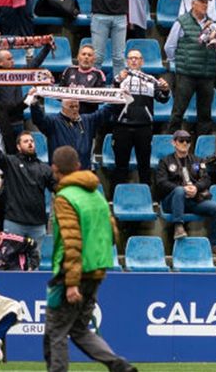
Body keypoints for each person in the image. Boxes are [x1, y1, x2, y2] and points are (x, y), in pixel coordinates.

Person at [44, 145, 135, 372]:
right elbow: (113, 234)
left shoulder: (64, 198)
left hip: (74, 272)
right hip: (98, 269)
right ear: (77, 166)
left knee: (56, 331)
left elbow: (71, 242)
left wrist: (72, 282)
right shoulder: (96, 193)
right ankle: (120, 367)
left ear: (55, 168)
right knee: (79, 329)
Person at [153, 130, 216, 252]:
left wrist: (196, 188)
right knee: (179, 191)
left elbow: (206, 179)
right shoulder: (165, 161)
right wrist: (181, 188)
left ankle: (215, 244)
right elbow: (161, 183)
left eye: (188, 141)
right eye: (181, 140)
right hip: (172, 200)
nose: (185, 143)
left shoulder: (197, 161)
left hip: (193, 200)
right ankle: (178, 226)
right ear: (174, 143)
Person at [111, 50, 171, 192]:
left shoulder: (151, 79)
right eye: (131, 58)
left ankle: (147, 197)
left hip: (143, 128)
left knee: (144, 166)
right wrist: (117, 81)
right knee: (120, 166)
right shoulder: (119, 79)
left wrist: (166, 90)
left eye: (137, 58)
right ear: (127, 61)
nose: (133, 61)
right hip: (122, 127)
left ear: (142, 61)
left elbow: (163, 99)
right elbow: (110, 98)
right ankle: (116, 197)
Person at [0, 130, 55, 253]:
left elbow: (57, 188)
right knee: (12, 263)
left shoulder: (45, 168)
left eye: (32, 141)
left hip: (37, 225)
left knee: (35, 264)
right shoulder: (10, 162)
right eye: (26, 141)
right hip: (14, 222)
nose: (30, 143)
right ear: (18, 146)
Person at [164, 0, 216, 137]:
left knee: (205, 114)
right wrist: (178, 64)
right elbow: (169, 47)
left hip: (207, 74)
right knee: (178, 111)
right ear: (193, 3)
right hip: (186, 74)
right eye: (202, 2)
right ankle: (171, 143)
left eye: (206, 3)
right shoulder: (181, 22)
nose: (205, 5)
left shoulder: (213, 25)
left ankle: (202, 149)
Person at [26, 89, 118, 170]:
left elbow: (104, 112)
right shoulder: (53, 122)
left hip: (83, 171)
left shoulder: (87, 120)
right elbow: (38, 119)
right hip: (61, 173)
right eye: (71, 107)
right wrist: (34, 103)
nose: (75, 109)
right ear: (63, 107)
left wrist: (118, 96)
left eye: (76, 106)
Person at [59, 44, 107, 114]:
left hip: (88, 116)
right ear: (78, 57)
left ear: (94, 59)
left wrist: (80, 98)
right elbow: (59, 94)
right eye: (83, 54)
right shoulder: (68, 70)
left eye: (89, 55)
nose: (86, 57)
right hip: (68, 113)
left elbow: (101, 100)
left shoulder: (99, 75)